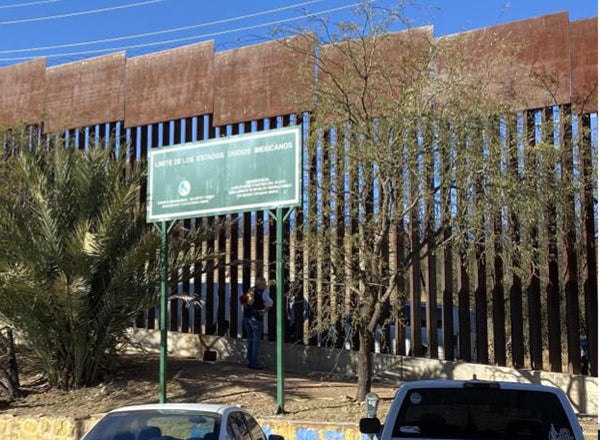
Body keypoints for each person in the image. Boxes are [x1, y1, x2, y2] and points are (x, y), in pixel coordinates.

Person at [240, 276, 273, 369]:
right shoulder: (262, 292)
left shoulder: (250, 290)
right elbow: (270, 302)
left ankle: (249, 360)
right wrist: (264, 310)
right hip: (256, 318)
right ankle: (254, 362)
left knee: (250, 339)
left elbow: (242, 301)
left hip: (247, 318)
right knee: (256, 341)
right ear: (262, 284)